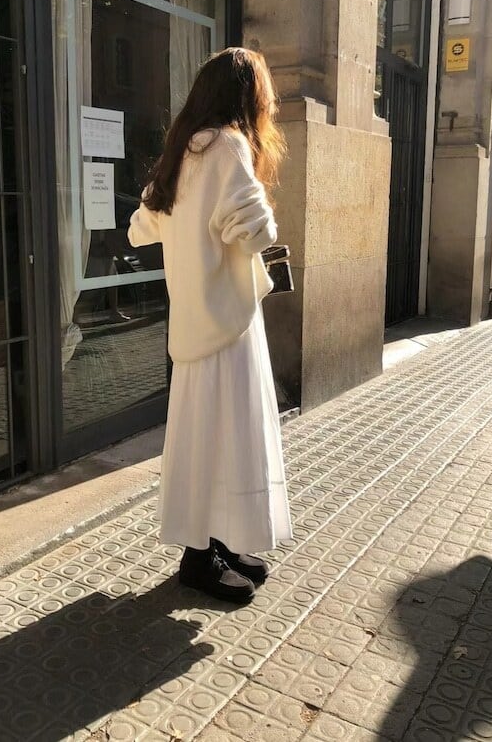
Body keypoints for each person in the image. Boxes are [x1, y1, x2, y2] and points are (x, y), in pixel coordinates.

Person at [127, 47, 293, 603]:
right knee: (231, 435)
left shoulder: (185, 150)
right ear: (247, 95)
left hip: (193, 323)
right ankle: (202, 560)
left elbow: (142, 226)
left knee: (203, 438)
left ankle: (212, 547)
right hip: (227, 323)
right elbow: (255, 231)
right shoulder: (228, 144)